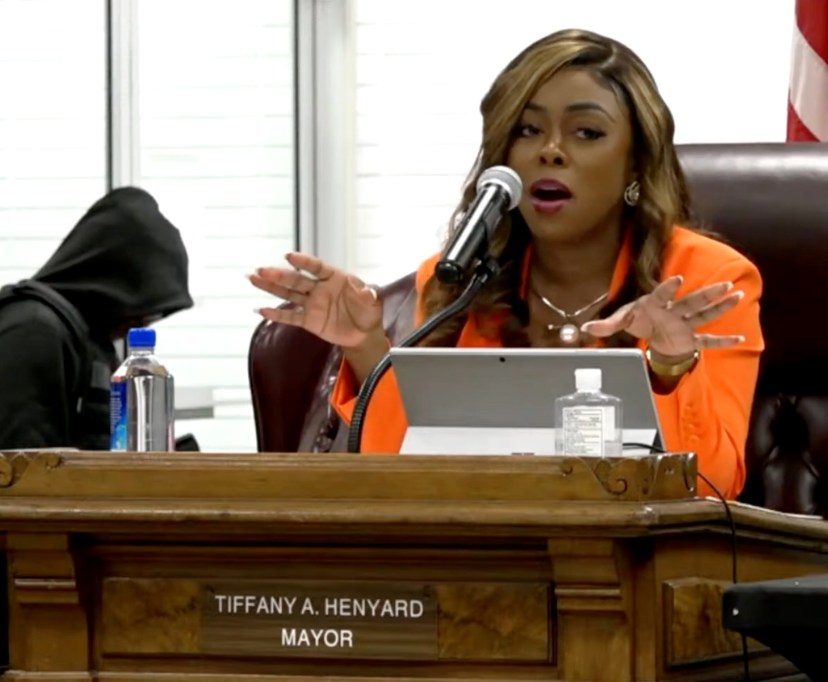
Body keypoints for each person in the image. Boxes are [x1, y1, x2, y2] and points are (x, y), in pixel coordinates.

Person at [249, 28, 764, 499]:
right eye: (526, 130)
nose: (551, 151)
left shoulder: (705, 281)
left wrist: (671, 363)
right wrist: (367, 348)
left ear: (636, 162)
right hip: (490, 562)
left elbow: (712, 486)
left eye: (586, 132)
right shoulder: (461, 278)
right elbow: (405, 474)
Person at [0, 187, 193, 451]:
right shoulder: (33, 330)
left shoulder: (88, 340)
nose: (141, 324)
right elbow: (23, 470)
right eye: (141, 311)